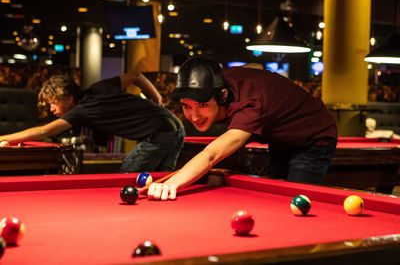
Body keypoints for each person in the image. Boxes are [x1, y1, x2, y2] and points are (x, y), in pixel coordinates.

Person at [145, 57, 337, 200]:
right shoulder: (214, 81)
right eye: (186, 106)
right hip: (280, 138)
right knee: (280, 198)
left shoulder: (250, 106)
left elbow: (211, 155)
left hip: (313, 137)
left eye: (202, 105)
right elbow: (253, 69)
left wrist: (173, 183)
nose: (194, 116)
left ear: (222, 96)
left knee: (297, 201)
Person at [0, 71, 185, 173]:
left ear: (69, 98)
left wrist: (3, 138)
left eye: (53, 103)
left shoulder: (81, 111)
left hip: (159, 134)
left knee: (126, 178)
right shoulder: (100, 87)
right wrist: (157, 97)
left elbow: (42, 132)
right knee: (160, 180)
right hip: (176, 127)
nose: (51, 109)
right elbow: (136, 76)